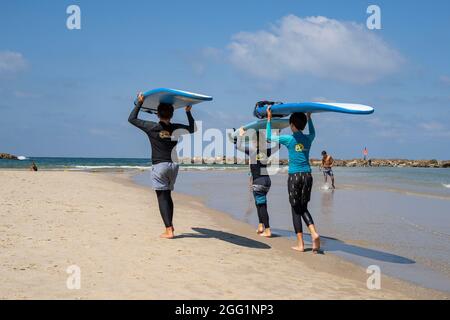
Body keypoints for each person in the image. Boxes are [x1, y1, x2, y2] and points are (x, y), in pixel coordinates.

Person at [129, 93, 196, 239]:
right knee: (168, 195)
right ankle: (170, 226)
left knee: (161, 197)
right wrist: (188, 112)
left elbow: (131, 119)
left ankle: (169, 230)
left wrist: (140, 103)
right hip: (174, 166)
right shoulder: (177, 128)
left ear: (157, 114)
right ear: (172, 115)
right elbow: (192, 129)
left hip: (160, 166)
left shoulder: (152, 127)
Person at [266, 108, 321, 253]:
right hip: (307, 176)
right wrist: (309, 118)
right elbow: (313, 133)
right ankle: (314, 233)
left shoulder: (289, 139)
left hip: (295, 176)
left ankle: (301, 244)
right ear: (302, 125)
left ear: (292, 124)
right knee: (303, 207)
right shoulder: (308, 139)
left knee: (295, 210)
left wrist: (269, 118)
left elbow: (268, 137)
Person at [230, 128, 273, 237]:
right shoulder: (267, 151)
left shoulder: (252, 151)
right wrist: (275, 134)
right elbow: (278, 144)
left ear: (254, 141)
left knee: (261, 205)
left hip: (258, 181)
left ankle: (267, 230)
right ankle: (260, 225)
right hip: (267, 181)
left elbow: (238, 146)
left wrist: (240, 135)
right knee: (260, 203)